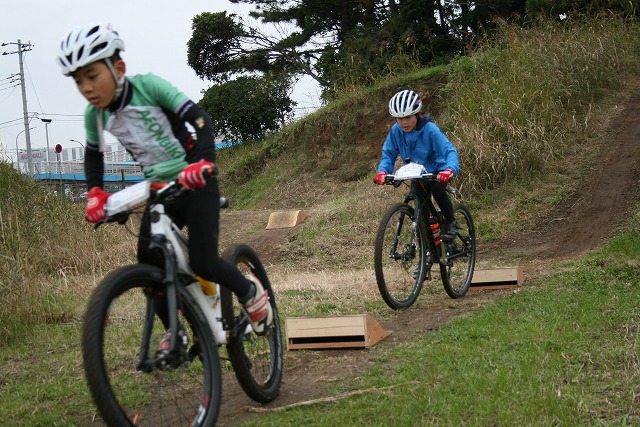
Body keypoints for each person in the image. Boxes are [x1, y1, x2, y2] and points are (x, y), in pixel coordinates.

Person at [57, 23, 273, 336]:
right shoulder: (95, 114)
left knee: (203, 263)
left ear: (119, 69)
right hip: (159, 189)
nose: (86, 87)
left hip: (195, 180)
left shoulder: (149, 87)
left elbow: (200, 120)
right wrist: (95, 194)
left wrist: (204, 163)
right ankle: (177, 334)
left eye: (92, 76)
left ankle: (250, 292)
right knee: (150, 264)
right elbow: (94, 155)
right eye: (78, 81)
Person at [373, 89, 460, 240]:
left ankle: (451, 222)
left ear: (417, 114)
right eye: (399, 118)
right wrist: (383, 171)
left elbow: (448, 150)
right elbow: (388, 154)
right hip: (416, 172)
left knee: (437, 189)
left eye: (407, 117)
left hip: (436, 171)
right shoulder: (396, 131)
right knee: (421, 207)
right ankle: (427, 241)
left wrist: (449, 169)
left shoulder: (430, 129)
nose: (403, 122)